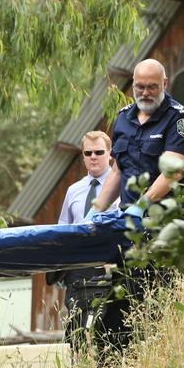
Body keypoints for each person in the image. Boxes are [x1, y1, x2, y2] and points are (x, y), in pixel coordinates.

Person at [87, 59, 184, 358]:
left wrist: (141, 205)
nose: (146, 92)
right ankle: (111, 365)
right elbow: (117, 171)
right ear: (133, 86)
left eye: (152, 86)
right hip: (131, 231)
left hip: (166, 227)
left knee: (154, 301)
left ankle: (155, 363)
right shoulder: (123, 119)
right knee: (116, 308)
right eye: (140, 87)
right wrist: (97, 208)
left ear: (165, 84)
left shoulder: (180, 120)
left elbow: (174, 170)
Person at [49, 131, 119, 356]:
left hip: (112, 269)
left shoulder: (123, 186)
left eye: (99, 152)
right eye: (88, 153)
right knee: (76, 336)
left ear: (110, 154)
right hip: (79, 274)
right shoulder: (74, 190)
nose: (93, 157)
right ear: (83, 156)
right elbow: (63, 233)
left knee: (109, 335)